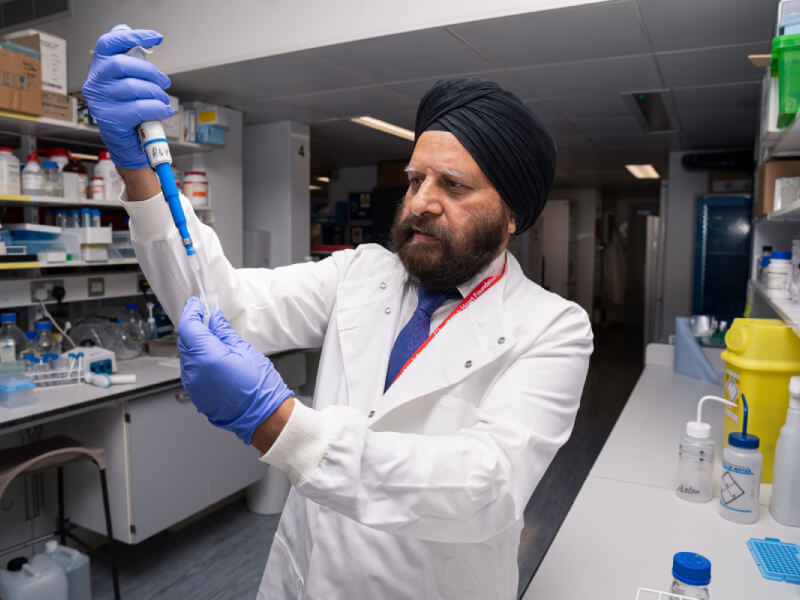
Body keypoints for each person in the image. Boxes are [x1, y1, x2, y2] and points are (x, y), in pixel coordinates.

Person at [83, 27, 593, 600]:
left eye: (453, 184)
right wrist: (141, 176)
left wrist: (278, 423)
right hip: (304, 579)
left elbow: (488, 487)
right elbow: (223, 305)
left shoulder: (553, 327)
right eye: (416, 178)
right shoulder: (361, 272)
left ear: (511, 217)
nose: (422, 200)